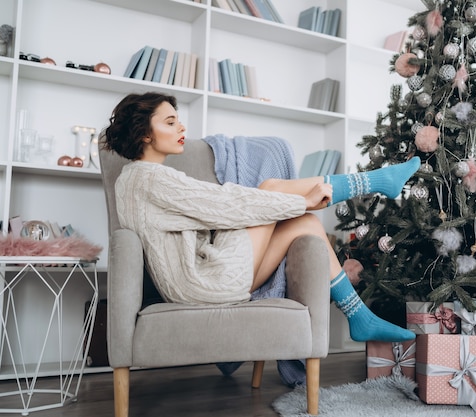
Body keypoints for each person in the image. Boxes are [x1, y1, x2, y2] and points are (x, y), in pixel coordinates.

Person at [103, 92, 420, 343]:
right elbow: (226, 204)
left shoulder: (136, 179)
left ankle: (358, 318)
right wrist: (304, 201)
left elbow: (212, 209)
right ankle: (377, 182)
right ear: (144, 133)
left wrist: (302, 207)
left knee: (306, 225)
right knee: (270, 189)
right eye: (170, 122)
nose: (181, 128)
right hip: (205, 283)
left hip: (205, 280)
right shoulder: (150, 180)